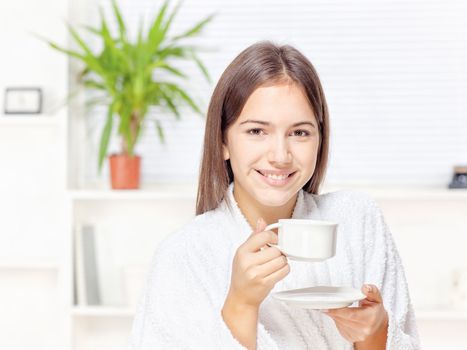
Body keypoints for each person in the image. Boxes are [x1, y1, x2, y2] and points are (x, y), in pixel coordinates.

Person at [129, 41, 420, 349]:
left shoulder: (357, 220)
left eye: (300, 133)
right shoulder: (185, 254)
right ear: (223, 141)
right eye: (257, 131)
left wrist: (375, 332)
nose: (280, 155)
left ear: (320, 139)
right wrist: (241, 304)